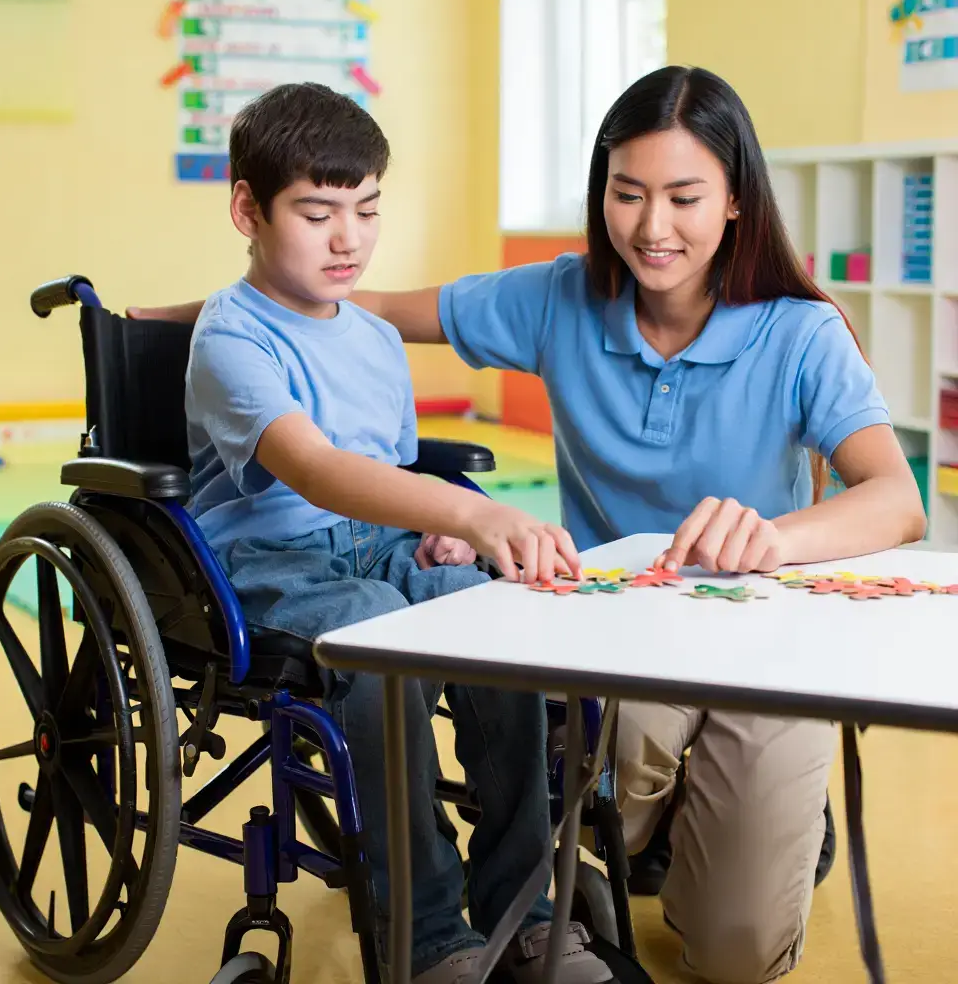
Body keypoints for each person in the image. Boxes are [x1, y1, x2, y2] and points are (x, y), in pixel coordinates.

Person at [134, 67, 926, 983]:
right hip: (600, 624)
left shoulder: (800, 331)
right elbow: (334, 340)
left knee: (735, 949)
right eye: (627, 194)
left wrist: (777, 539)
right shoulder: (557, 297)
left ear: (739, 200)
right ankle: (446, 929)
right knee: (473, 643)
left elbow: (898, 501)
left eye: (684, 197)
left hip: (756, 639)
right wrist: (162, 324)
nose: (652, 226)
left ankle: (562, 888)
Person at [182, 82, 613, 984]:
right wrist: (470, 511)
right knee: (383, 637)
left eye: (367, 210)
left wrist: (447, 533)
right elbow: (317, 469)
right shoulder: (233, 338)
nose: (349, 238)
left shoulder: (374, 337)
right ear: (246, 211)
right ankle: (428, 936)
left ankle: (524, 907)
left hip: (377, 547)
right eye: (317, 212)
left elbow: (392, 473)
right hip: (270, 559)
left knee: (493, 614)